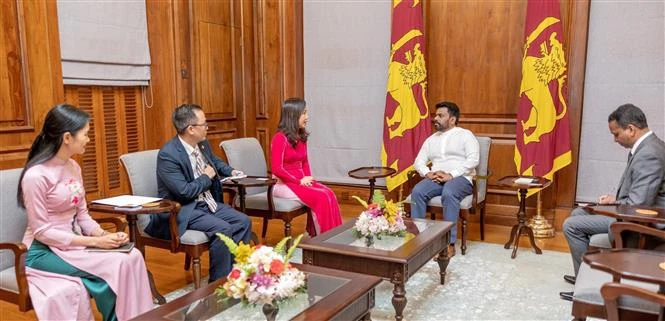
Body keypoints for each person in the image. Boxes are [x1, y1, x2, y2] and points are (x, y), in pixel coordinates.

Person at [17, 104, 153, 321]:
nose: (89, 139)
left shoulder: (73, 167)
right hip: (43, 251)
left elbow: (82, 216)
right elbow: (41, 231)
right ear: (67, 137)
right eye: (86, 134)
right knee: (113, 268)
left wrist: (103, 235)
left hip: (74, 243)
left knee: (132, 255)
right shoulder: (36, 176)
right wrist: (94, 243)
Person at [559, 103, 665, 301]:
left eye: (616, 134)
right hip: (634, 211)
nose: (615, 140)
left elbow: (638, 205)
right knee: (578, 214)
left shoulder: (650, 153)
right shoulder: (646, 147)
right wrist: (613, 200)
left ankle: (589, 287)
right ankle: (583, 275)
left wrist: (611, 208)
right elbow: (640, 194)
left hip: (640, 222)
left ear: (631, 129)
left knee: (571, 225)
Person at [149, 104, 252, 282]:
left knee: (243, 221)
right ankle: (218, 284)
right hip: (184, 209)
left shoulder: (201, 144)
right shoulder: (168, 155)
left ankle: (236, 275)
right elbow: (185, 192)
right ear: (191, 129)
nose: (207, 127)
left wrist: (231, 171)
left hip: (206, 202)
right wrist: (206, 177)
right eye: (204, 124)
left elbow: (214, 162)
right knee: (223, 229)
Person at [410, 101, 480, 258]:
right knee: (418, 191)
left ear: (452, 119)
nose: (436, 118)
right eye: (436, 115)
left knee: (449, 193)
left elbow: (473, 160)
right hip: (436, 178)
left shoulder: (465, 135)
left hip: (460, 178)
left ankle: (449, 243)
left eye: (441, 115)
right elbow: (418, 161)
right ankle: (421, 240)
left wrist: (452, 174)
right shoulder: (431, 139)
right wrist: (427, 173)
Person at [270, 98, 343, 235]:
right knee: (321, 197)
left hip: (300, 181)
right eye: (304, 113)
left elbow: (305, 162)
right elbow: (277, 169)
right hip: (283, 185)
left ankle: (334, 236)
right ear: (293, 115)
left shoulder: (301, 136)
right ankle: (322, 239)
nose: (307, 117)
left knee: (329, 194)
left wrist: (309, 179)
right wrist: (299, 181)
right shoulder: (279, 138)